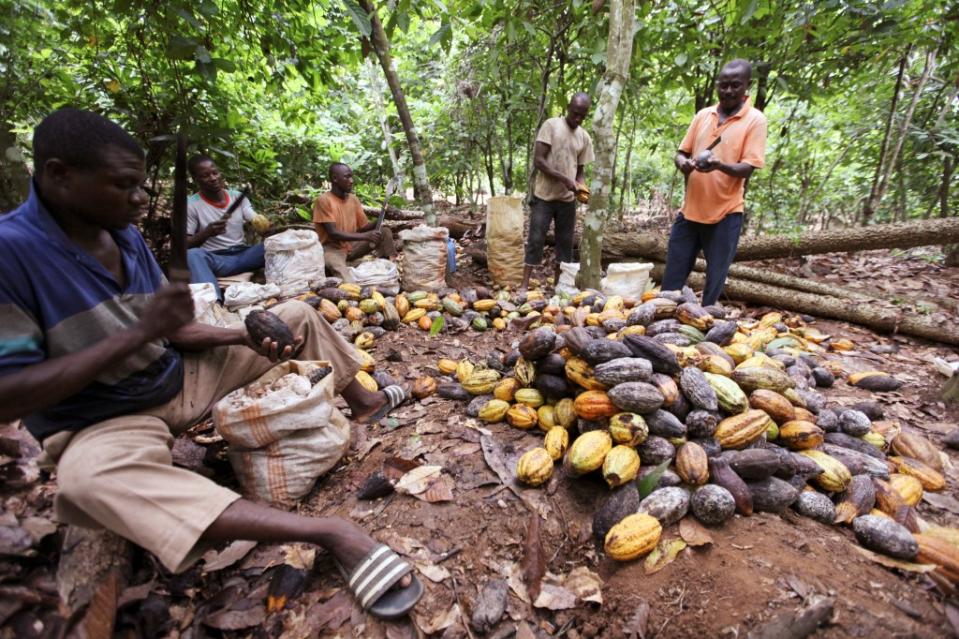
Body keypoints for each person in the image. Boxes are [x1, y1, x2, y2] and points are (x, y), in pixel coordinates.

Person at [0, 108, 420, 618]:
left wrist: (241, 334)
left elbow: (174, 331)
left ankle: (366, 401)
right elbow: (12, 395)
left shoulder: (123, 233)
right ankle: (330, 532)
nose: (138, 198)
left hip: (176, 375)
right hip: (106, 417)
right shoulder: (11, 254)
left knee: (295, 314)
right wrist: (143, 331)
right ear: (58, 175)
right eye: (124, 186)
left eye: (139, 185)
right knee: (88, 483)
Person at [661, 59, 767, 306]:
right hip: (689, 212)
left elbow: (748, 168)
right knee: (671, 282)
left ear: (746, 87)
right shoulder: (703, 115)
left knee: (713, 284)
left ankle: (704, 326)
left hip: (725, 214)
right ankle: (662, 330)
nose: (728, 91)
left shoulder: (755, 120)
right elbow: (681, 152)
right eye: (724, 85)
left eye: (735, 85)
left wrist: (719, 165)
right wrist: (683, 163)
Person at [521, 92, 594, 294]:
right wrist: (565, 179)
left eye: (582, 115)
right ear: (569, 107)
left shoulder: (584, 137)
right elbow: (539, 161)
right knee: (536, 239)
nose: (577, 118)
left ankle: (558, 287)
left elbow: (580, 173)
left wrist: (582, 189)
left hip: (567, 200)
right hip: (544, 196)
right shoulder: (551, 126)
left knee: (565, 245)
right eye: (575, 113)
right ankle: (525, 285)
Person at [186, 155, 267, 300]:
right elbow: (185, 244)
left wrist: (265, 226)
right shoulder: (191, 205)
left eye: (215, 173)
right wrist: (206, 233)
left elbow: (253, 217)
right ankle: (213, 303)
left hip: (243, 255)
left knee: (276, 243)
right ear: (195, 179)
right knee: (192, 255)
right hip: (217, 260)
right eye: (205, 176)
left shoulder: (237, 197)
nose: (213, 178)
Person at [313, 163, 396, 282]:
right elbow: (333, 233)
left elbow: (364, 227)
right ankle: (347, 269)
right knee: (345, 278)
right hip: (332, 249)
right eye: (347, 177)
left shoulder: (353, 200)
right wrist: (366, 236)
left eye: (351, 177)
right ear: (335, 179)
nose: (351, 181)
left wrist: (383, 216)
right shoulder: (324, 200)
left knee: (384, 231)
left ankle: (390, 264)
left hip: (352, 246)